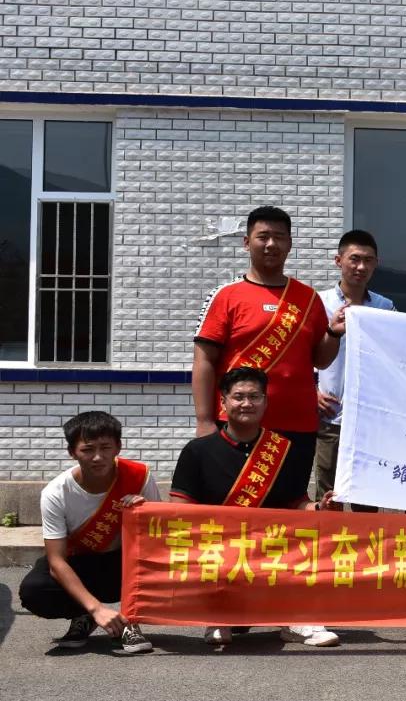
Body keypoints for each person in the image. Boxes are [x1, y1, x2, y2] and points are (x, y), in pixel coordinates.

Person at [171, 367, 341, 647]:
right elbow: (180, 509)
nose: (247, 403)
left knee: (310, 538)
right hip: (219, 549)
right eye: (238, 397)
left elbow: (296, 503)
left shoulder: (283, 449)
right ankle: (218, 616)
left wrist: (320, 508)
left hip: (270, 546)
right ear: (223, 402)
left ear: (265, 402)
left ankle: (296, 619)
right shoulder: (197, 451)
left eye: (254, 396)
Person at [192, 206, 344, 504]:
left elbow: (320, 359)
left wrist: (334, 333)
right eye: (263, 237)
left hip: (297, 426)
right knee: (234, 505)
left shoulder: (307, 298)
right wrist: (204, 420)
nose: (271, 244)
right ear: (246, 242)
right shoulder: (226, 295)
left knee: (289, 506)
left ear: (290, 243)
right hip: (239, 422)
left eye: (279, 237)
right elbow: (203, 361)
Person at [18, 411, 159, 653]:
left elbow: (157, 537)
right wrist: (96, 608)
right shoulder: (55, 493)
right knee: (35, 590)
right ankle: (84, 614)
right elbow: (56, 562)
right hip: (80, 564)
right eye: (87, 449)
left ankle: (130, 621)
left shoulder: (138, 476)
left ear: (118, 447)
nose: (97, 457)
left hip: (123, 563)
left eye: (105, 448)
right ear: (72, 452)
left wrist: (144, 511)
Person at [315, 230, 396, 507]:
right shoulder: (319, 302)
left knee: (366, 497)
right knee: (328, 496)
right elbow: (302, 353)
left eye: (368, 260)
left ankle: (365, 538)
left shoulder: (385, 307)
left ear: (376, 264)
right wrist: (312, 391)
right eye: (354, 259)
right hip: (331, 415)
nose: (361, 267)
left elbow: (393, 358)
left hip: (368, 419)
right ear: (339, 260)